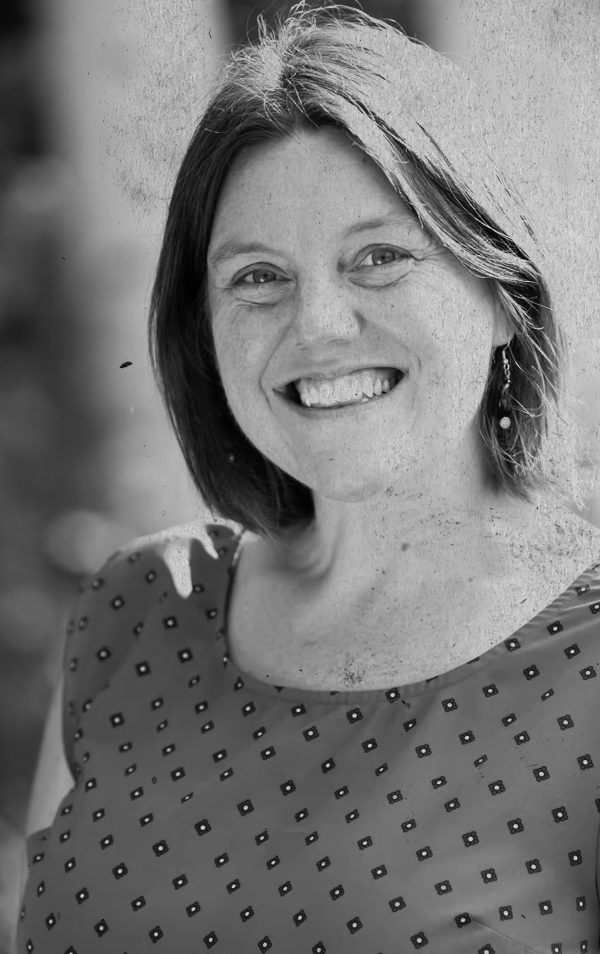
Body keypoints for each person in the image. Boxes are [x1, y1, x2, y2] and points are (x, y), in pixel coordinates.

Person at [16, 4, 600, 952]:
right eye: (257, 277)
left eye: (380, 257)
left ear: (503, 294)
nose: (318, 323)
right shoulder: (130, 612)